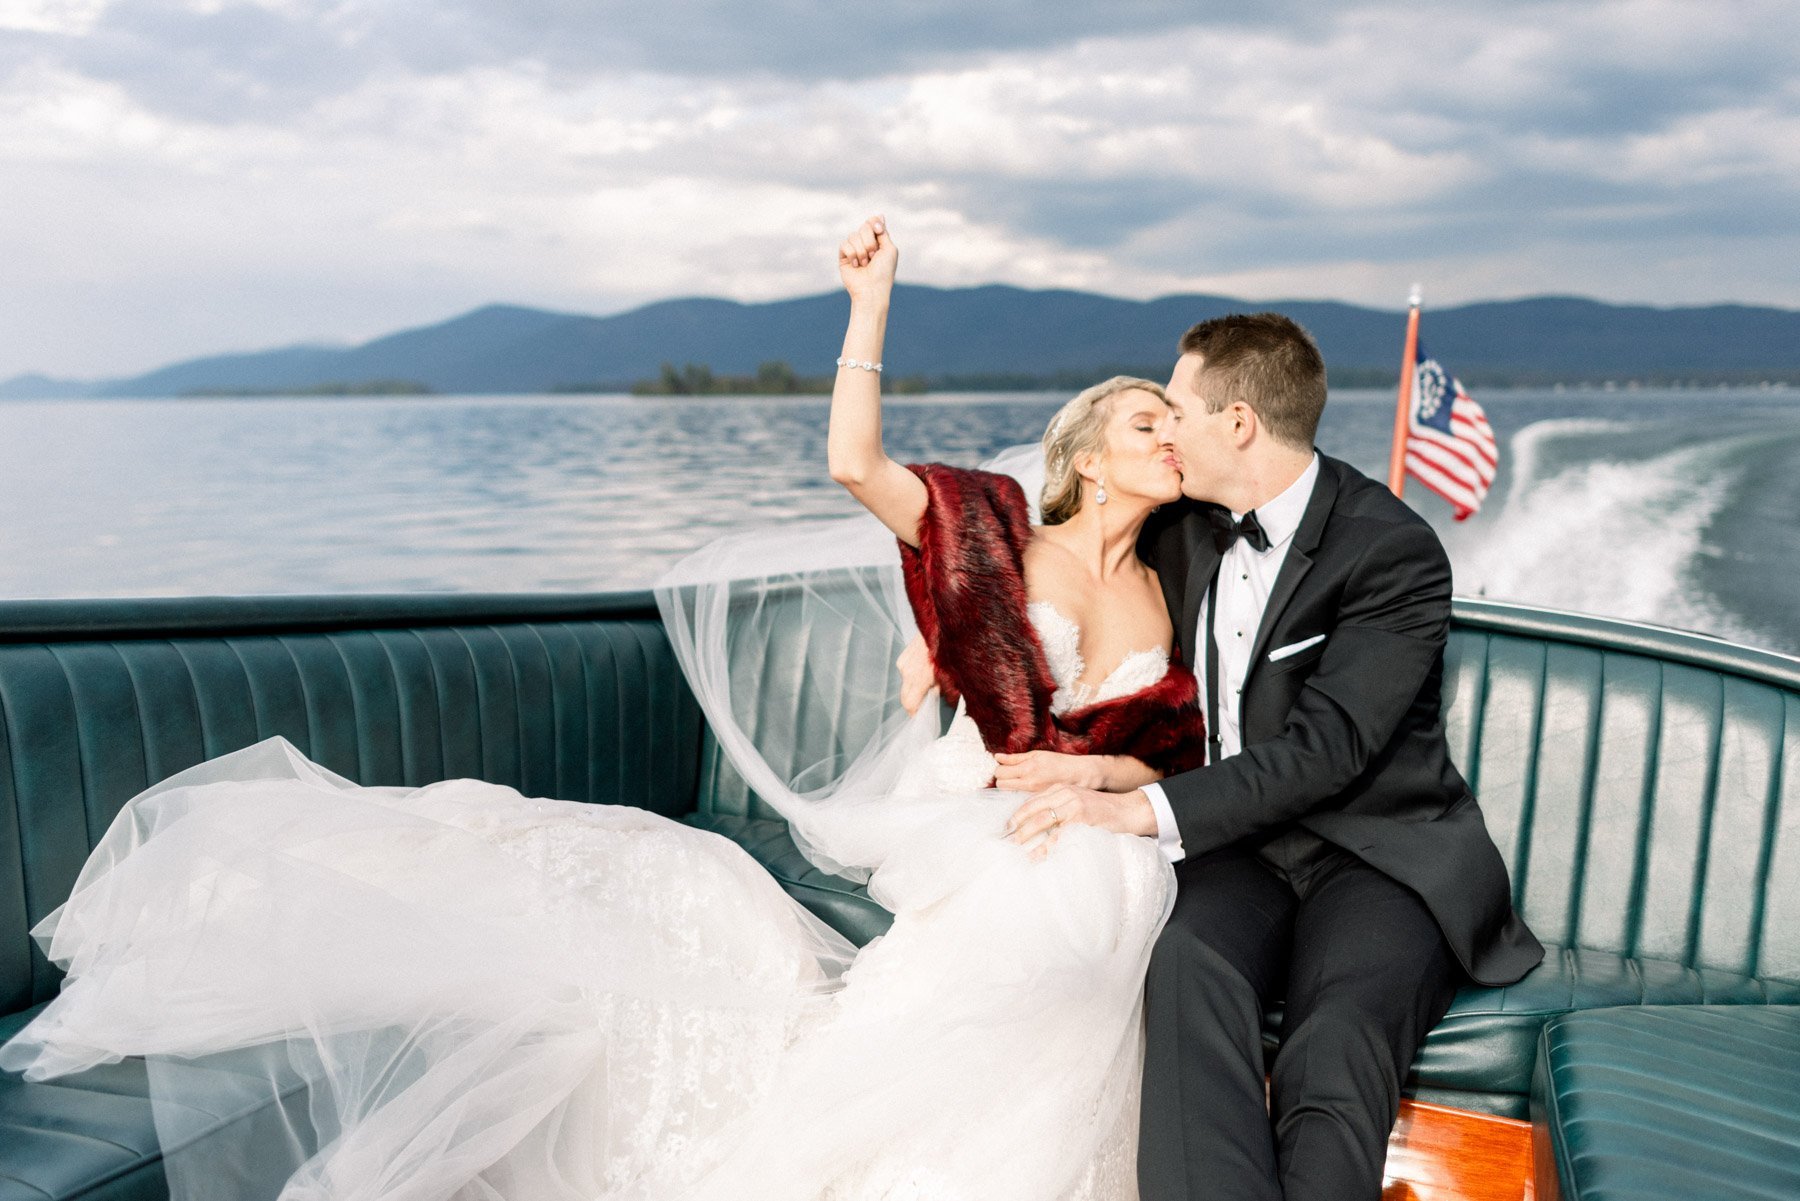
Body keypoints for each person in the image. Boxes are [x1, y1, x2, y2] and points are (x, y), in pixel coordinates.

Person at [0, 217, 1215, 1200]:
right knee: (1035, 936)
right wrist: (869, 307)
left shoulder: (1184, 580)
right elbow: (856, 466)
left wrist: (1111, 782)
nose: (1169, 438)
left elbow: (1201, 723)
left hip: (1108, 828)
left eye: (1178, 423)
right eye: (1145, 422)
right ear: (1090, 458)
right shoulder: (995, 529)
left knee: (1104, 911)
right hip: (989, 823)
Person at [974, 312, 1546, 1199]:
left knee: (1338, 1031)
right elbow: (1047, 536)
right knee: (1184, 968)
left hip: (1375, 852)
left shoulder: (1390, 550)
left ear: (1237, 423)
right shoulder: (1186, 526)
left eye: (1177, 412)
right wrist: (957, 627)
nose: (1166, 433)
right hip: (1235, 848)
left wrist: (1137, 807)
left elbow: (1330, 749)